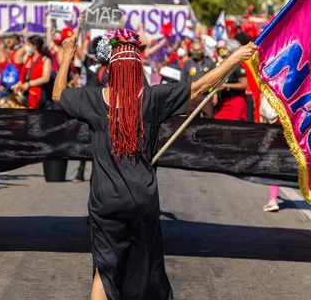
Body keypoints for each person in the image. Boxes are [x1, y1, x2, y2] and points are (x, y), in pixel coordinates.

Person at [53, 27, 257, 300]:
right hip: (143, 198)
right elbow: (201, 86)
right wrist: (234, 58)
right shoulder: (152, 98)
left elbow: (58, 95)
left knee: (105, 268)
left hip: (105, 200)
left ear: (111, 71)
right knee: (144, 267)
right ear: (139, 71)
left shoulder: (92, 99)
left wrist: (67, 53)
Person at [11, 35, 52, 109]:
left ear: (35, 46)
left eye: (28, 45)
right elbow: (25, 75)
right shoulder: (28, 58)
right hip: (25, 93)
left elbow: (46, 78)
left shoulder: (45, 60)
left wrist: (29, 84)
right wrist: (19, 84)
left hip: (37, 94)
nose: (26, 47)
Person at [214, 41, 248, 121]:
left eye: (225, 49)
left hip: (235, 101)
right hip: (223, 101)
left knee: (233, 125)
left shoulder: (237, 66)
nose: (223, 51)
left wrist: (226, 86)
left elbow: (244, 85)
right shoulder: (223, 64)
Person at [182, 40, 216, 117]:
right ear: (191, 50)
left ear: (203, 50)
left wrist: (215, 94)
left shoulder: (210, 63)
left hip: (206, 96)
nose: (196, 52)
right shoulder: (187, 64)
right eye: (194, 50)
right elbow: (182, 81)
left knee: (209, 119)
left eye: (198, 50)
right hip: (192, 96)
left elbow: (215, 79)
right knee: (191, 120)